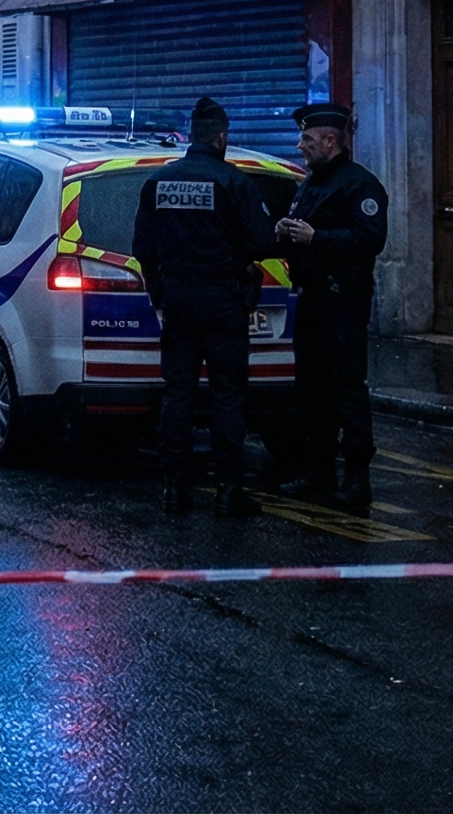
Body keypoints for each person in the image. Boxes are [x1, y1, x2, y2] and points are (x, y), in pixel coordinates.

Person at [131, 97, 277, 517]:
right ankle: (229, 490)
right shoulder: (234, 183)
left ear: (191, 136)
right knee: (227, 395)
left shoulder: (160, 182)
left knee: (177, 393)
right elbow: (261, 242)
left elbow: (143, 246)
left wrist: (160, 290)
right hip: (223, 303)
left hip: (178, 301)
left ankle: (173, 488)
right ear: (222, 137)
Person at [271, 104, 389, 512]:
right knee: (312, 391)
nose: (299, 145)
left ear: (330, 140)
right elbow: (297, 227)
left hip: (343, 301)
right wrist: (283, 232)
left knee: (346, 391)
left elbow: (369, 239)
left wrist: (316, 238)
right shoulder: (310, 184)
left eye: (306, 139)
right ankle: (318, 471)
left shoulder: (360, 186)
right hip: (312, 299)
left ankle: (357, 482)